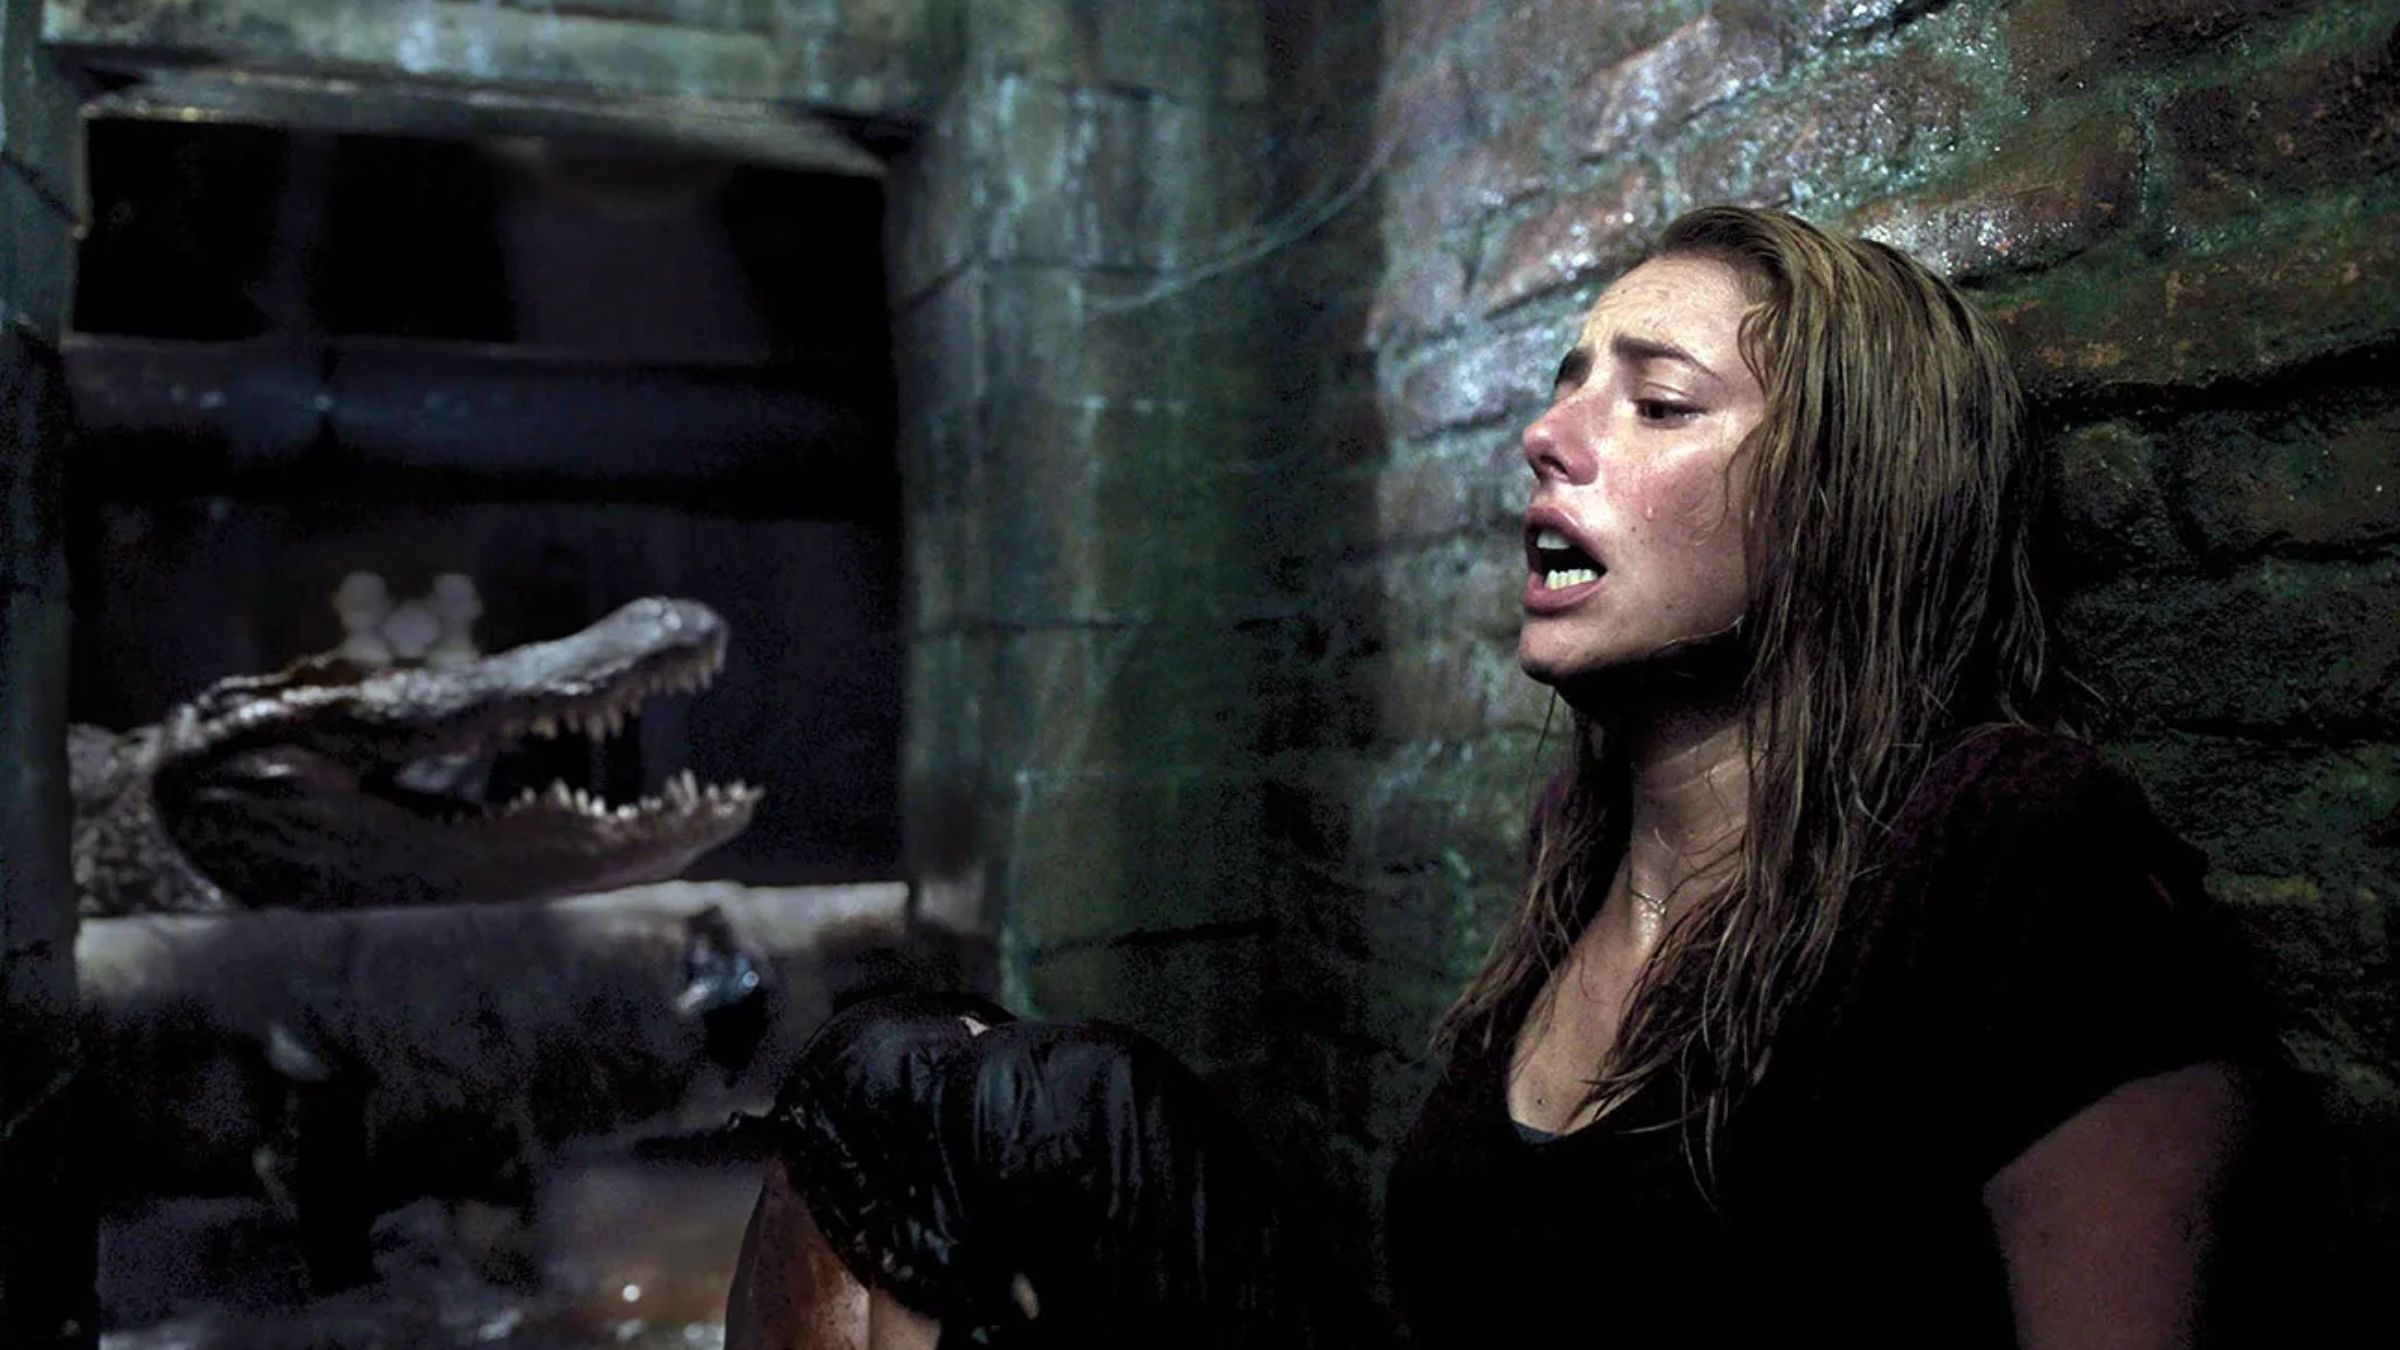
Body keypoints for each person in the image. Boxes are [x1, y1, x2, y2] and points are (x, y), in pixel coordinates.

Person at [1382, 205, 2268, 1346]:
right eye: (1570, 389)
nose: (1546, 435)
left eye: (1660, 405)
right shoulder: (1577, 844)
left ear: (1840, 495)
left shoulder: (2009, 846)